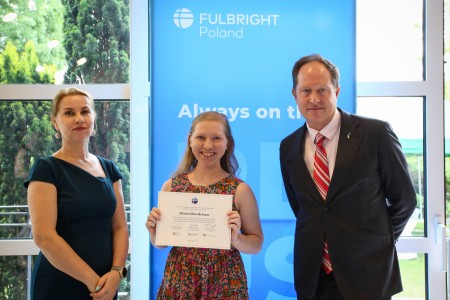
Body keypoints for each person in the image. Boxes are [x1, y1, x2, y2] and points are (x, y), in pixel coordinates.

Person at [279, 54, 417, 300]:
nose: (314, 99)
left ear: (337, 91)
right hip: (314, 277)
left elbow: (404, 200)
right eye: (306, 90)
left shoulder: (375, 134)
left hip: (368, 273)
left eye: (322, 90)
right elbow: (302, 207)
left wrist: (377, 243)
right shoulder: (288, 146)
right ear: (294, 94)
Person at [24, 87, 129, 300]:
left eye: (85, 111)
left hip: (106, 284)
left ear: (93, 119)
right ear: (55, 122)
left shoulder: (109, 168)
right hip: (60, 284)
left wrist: (117, 273)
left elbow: (119, 226)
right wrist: (95, 283)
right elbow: (44, 237)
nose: (79, 118)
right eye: (69, 113)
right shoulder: (47, 169)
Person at [146, 111, 264, 299]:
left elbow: (256, 244)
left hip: (225, 283)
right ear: (190, 140)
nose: (208, 145)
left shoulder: (240, 190)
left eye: (216, 138)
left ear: (228, 143)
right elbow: (161, 243)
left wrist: (236, 239)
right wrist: (154, 232)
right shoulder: (172, 186)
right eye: (200, 137)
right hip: (179, 281)